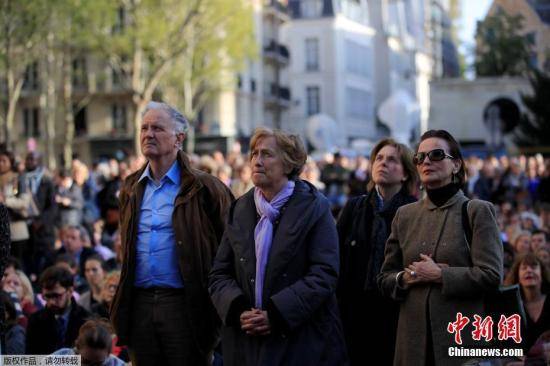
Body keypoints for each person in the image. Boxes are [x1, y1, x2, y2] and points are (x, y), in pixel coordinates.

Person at [209, 127, 348, 366]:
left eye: (267, 154)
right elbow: (219, 274)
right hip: (246, 342)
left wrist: (276, 314)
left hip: (300, 342)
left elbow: (324, 273)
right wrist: (239, 309)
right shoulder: (239, 209)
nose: (257, 161)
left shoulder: (315, 208)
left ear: (288, 163)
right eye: (254, 154)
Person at [110, 101, 233, 366]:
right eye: (144, 128)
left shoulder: (206, 188)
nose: (148, 134)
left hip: (186, 306)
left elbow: (231, 247)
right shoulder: (131, 187)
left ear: (179, 138)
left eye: (157, 128)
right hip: (139, 305)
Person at [378, 129, 503, 366]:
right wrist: (407, 277)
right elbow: (385, 278)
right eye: (420, 157)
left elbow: (492, 275)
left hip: (461, 345)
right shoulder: (404, 215)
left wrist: (441, 275)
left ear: (456, 165)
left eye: (436, 155)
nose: (426, 161)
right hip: (412, 347)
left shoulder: (476, 211)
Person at [337, 138, 418, 366]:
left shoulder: (414, 212)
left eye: (392, 160)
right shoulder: (355, 207)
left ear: (404, 173)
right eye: (379, 158)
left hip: (395, 312)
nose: (383, 163)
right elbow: (336, 256)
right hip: (353, 312)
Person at [26, 265, 90, 354]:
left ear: (70, 291)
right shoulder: (35, 320)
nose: (51, 302)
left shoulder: (86, 319)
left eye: (56, 296)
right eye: (47, 296)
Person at [504, 253, 550, 352]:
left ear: (542, 274)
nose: (529, 270)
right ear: (518, 277)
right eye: (524, 268)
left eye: (534, 267)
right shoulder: (511, 305)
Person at [52, 319, 125, 366]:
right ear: (77, 348)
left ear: (108, 354)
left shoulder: (115, 364)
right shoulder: (64, 358)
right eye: (86, 361)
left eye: (98, 364)